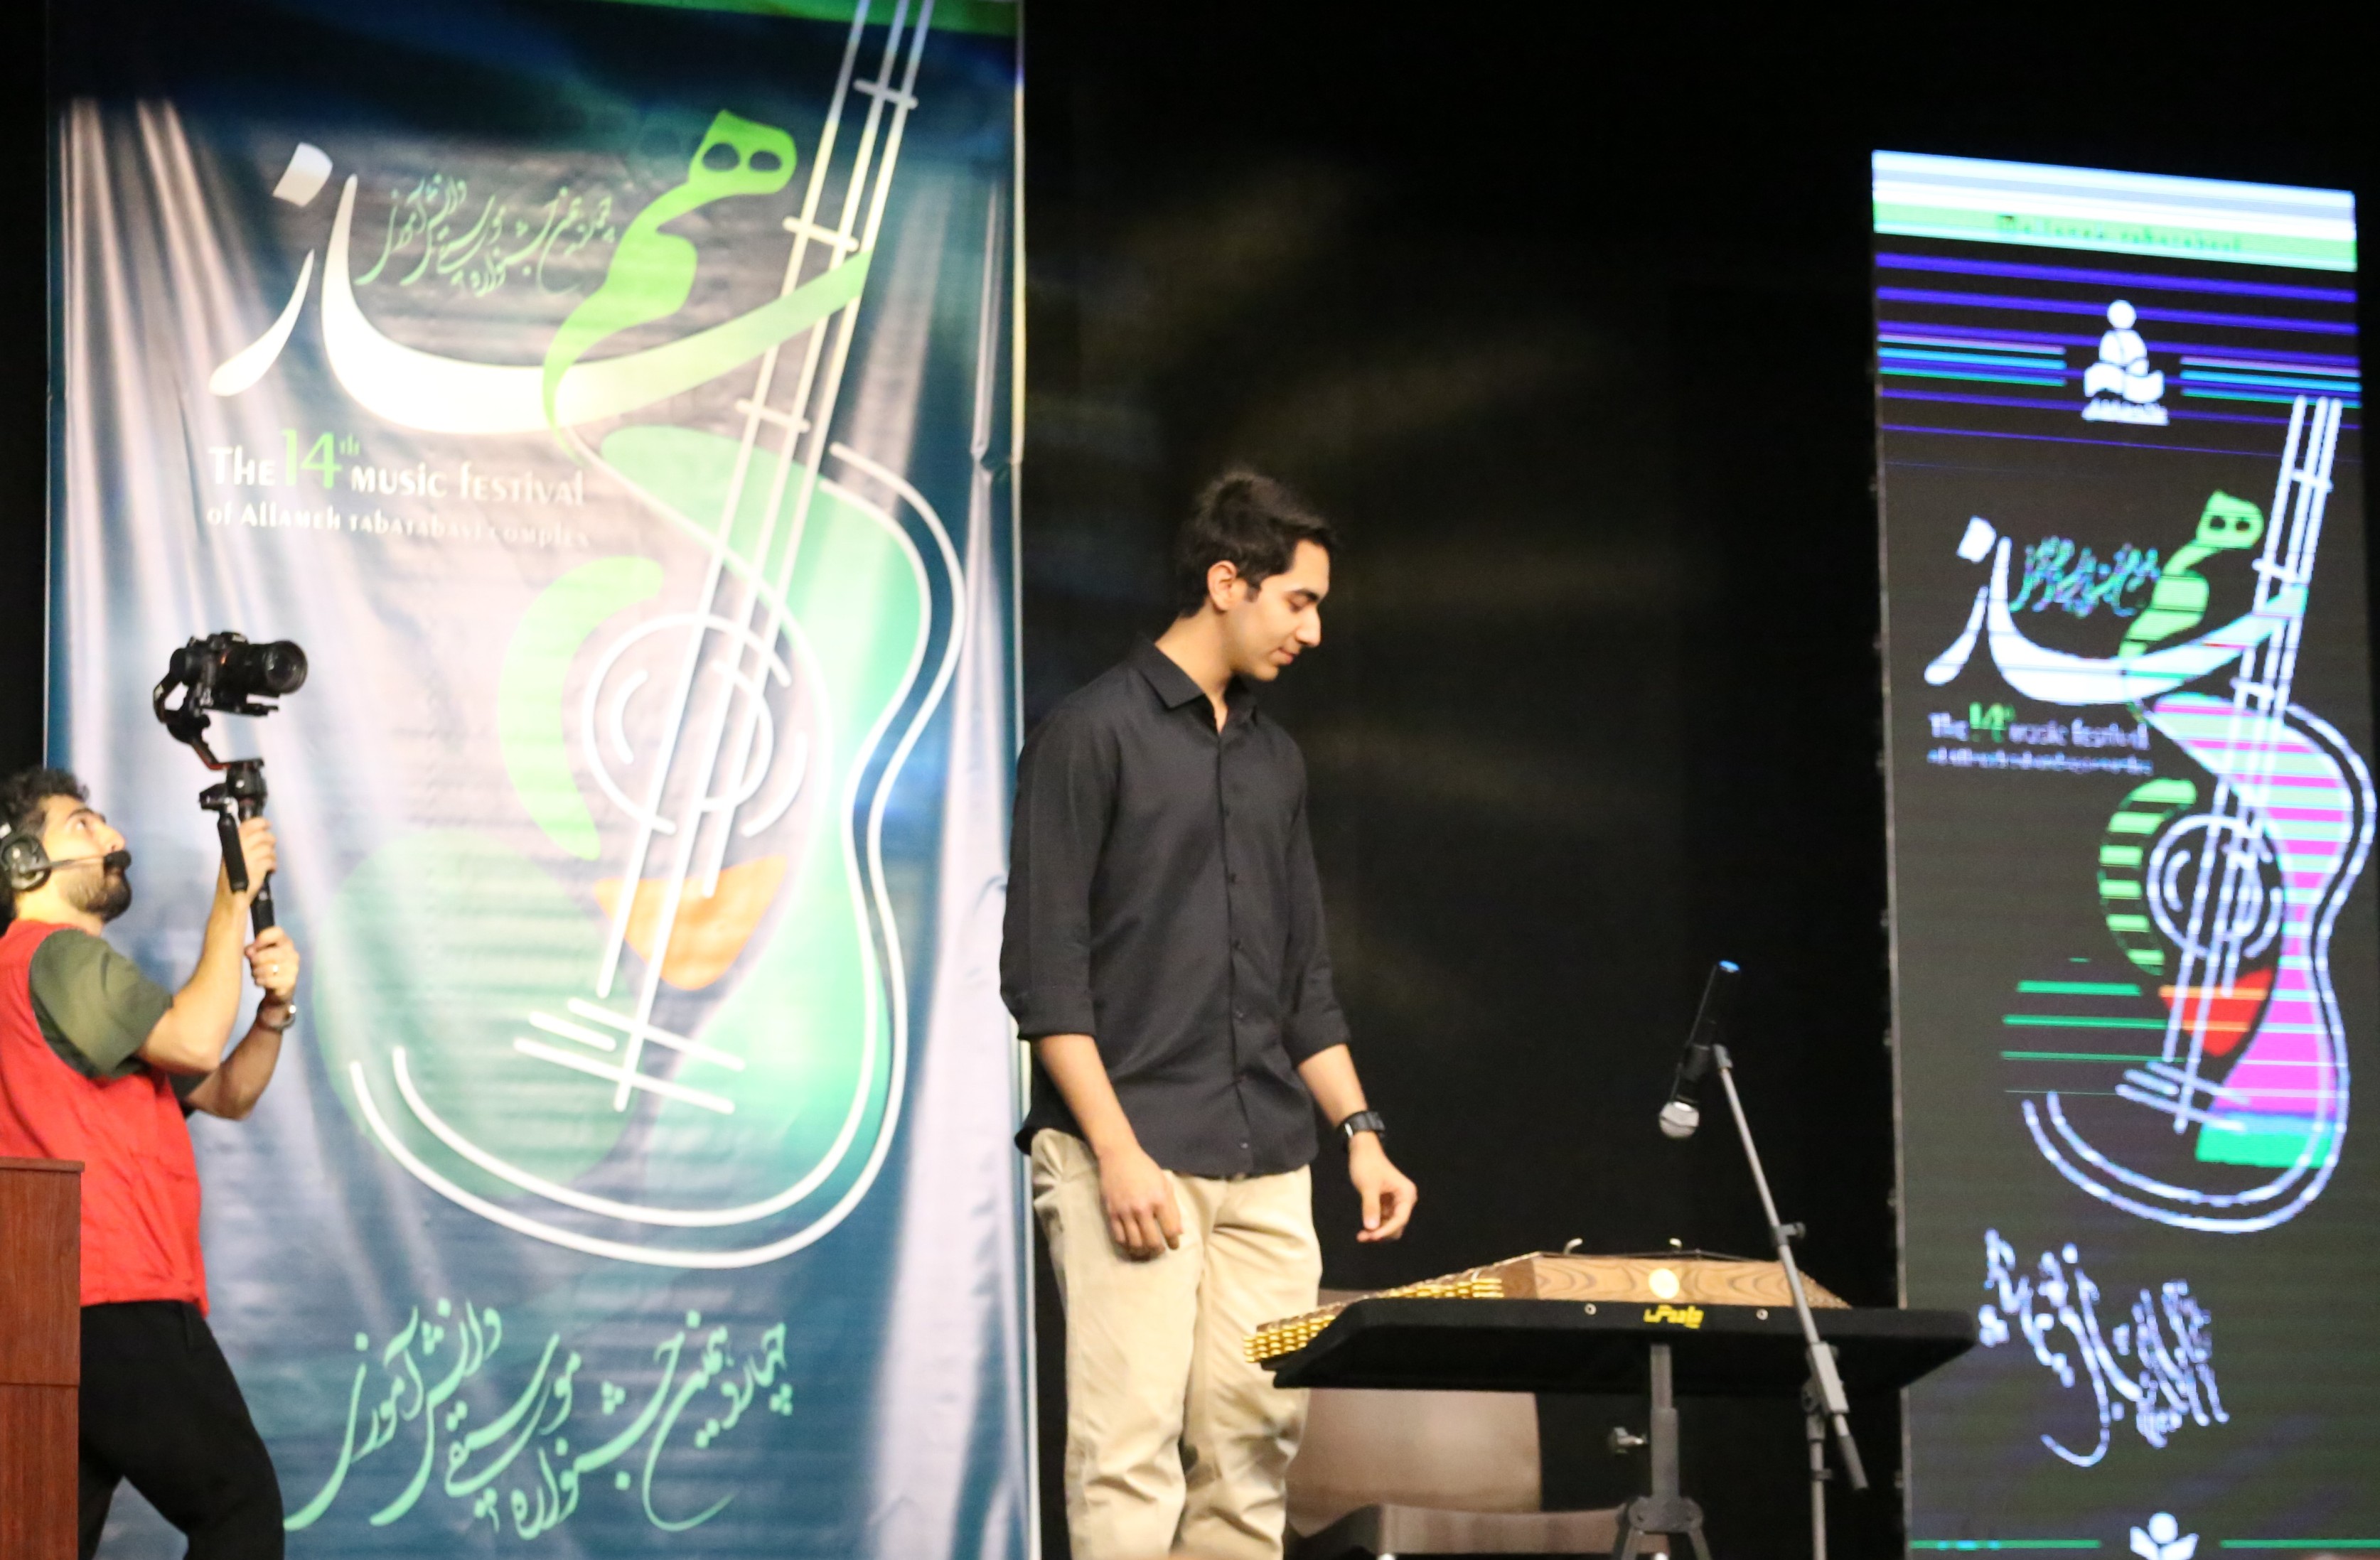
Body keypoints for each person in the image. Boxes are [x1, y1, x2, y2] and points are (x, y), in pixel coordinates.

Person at [1003, 471, 1418, 1560]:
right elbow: (1045, 977)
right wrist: (1115, 1150)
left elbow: (1302, 981)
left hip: (1267, 1159)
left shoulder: (1275, 759)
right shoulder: (1089, 732)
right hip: (1132, 1148)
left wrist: (1360, 1131)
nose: (1313, 631)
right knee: (1128, 1453)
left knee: (1251, 1457)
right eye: (1299, 601)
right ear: (1228, 582)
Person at [0, 768, 301, 1559]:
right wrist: (232, 897)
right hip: (110, 1293)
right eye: (82, 824)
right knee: (237, 1504)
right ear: (25, 861)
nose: (113, 838)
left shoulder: (74, 990)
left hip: (43, 1312)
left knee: (43, 1543)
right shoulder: (58, 957)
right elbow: (197, 1041)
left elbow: (228, 1090)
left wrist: (273, 1013)